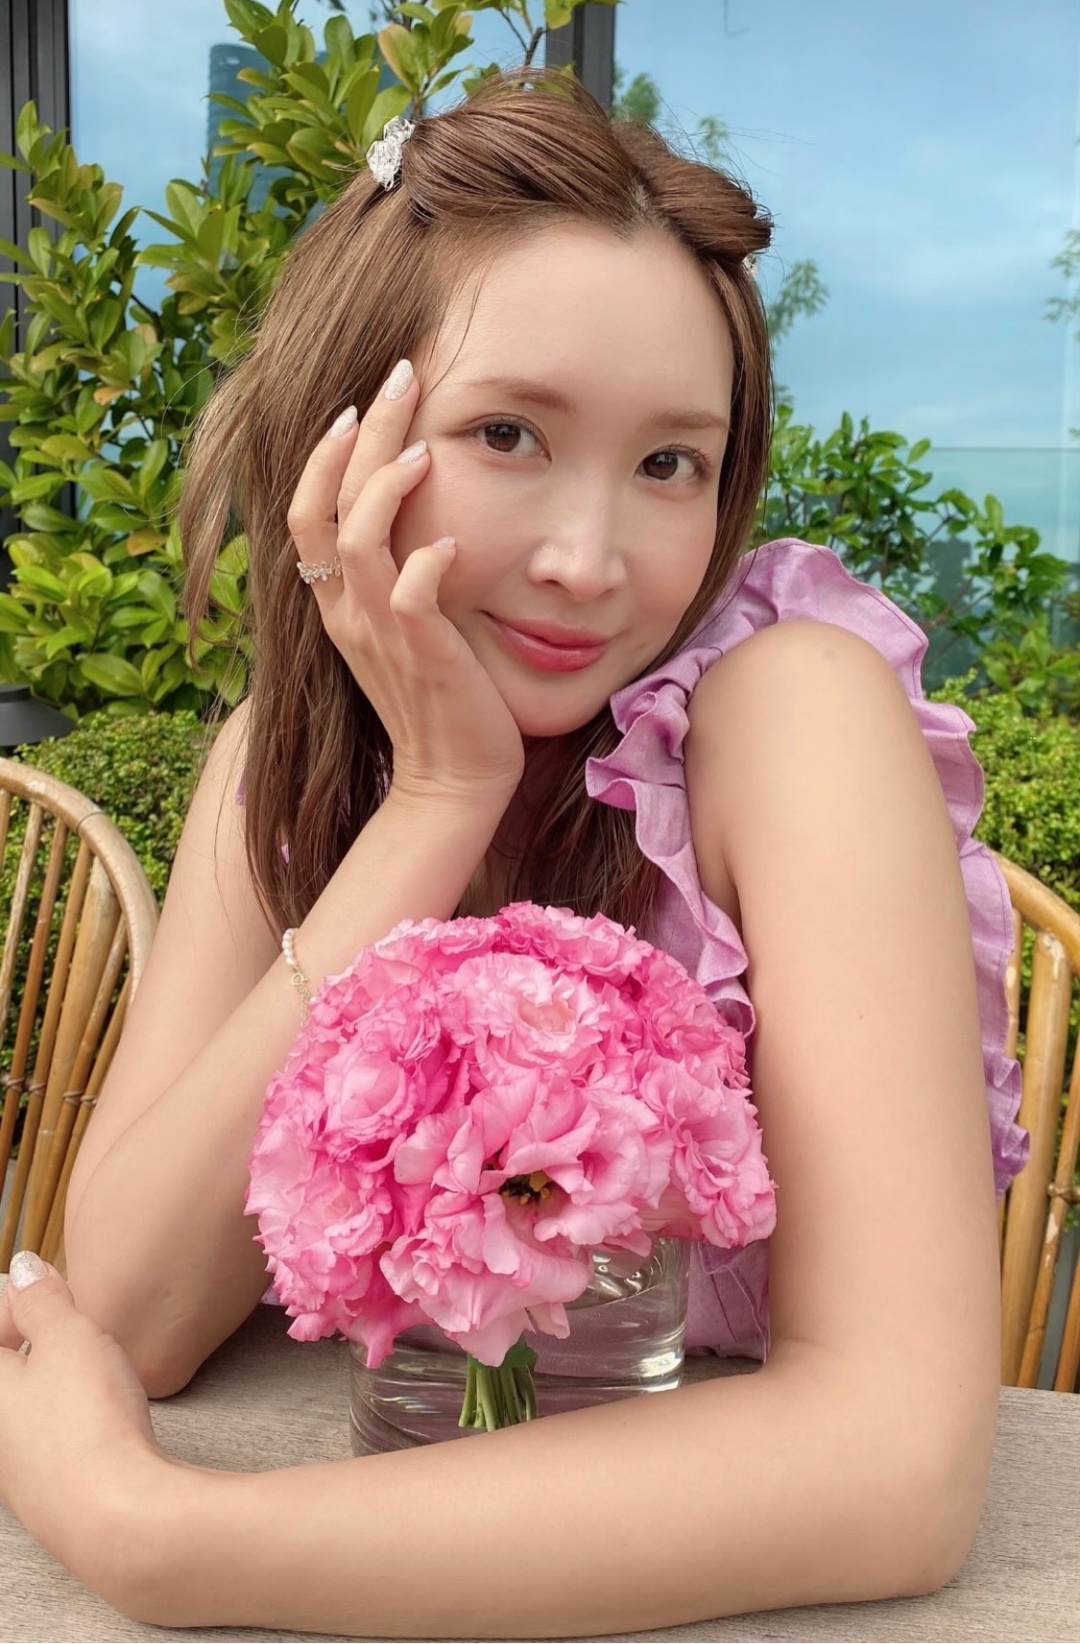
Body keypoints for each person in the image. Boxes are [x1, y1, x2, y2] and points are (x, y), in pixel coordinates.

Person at [0, 66, 1028, 1634]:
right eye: (507, 432)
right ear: (338, 441)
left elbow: (896, 1465)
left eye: (671, 463)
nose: (589, 561)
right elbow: (134, 1314)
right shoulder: (290, 763)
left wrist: (160, 1537)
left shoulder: (788, 720)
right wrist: (436, 803)